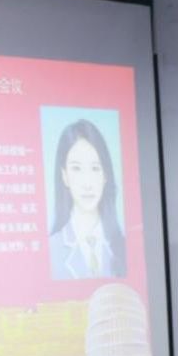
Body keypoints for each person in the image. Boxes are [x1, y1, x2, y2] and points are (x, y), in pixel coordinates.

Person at [48, 118, 126, 280]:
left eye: (95, 168)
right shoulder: (51, 249)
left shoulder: (124, 246)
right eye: (76, 168)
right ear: (64, 176)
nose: (87, 183)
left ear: (105, 175)